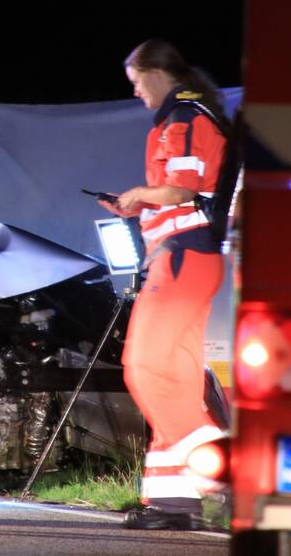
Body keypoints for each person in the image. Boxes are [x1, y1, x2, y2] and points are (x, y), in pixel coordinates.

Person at [98, 39, 228, 530]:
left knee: (145, 368)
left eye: (136, 82)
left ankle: (220, 466)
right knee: (176, 379)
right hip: (190, 260)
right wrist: (138, 205)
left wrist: (138, 194)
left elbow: (183, 187)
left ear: (157, 72)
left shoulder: (184, 119)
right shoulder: (193, 116)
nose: (136, 94)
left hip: (181, 261)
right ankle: (175, 502)